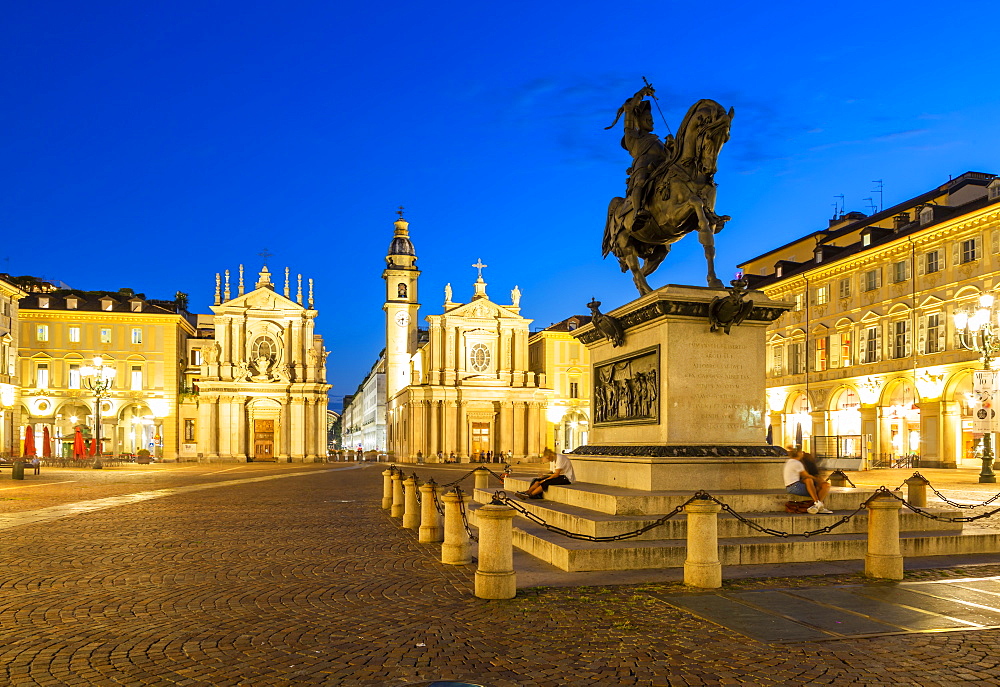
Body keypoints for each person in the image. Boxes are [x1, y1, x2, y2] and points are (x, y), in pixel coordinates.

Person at [783, 449, 832, 514]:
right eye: (801, 452)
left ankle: (816, 506)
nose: (802, 453)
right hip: (795, 487)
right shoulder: (797, 463)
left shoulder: (790, 461)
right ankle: (817, 504)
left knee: (820, 485)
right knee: (817, 483)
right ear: (798, 454)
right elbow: (806, 475)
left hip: (791, 487)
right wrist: (818, 480)